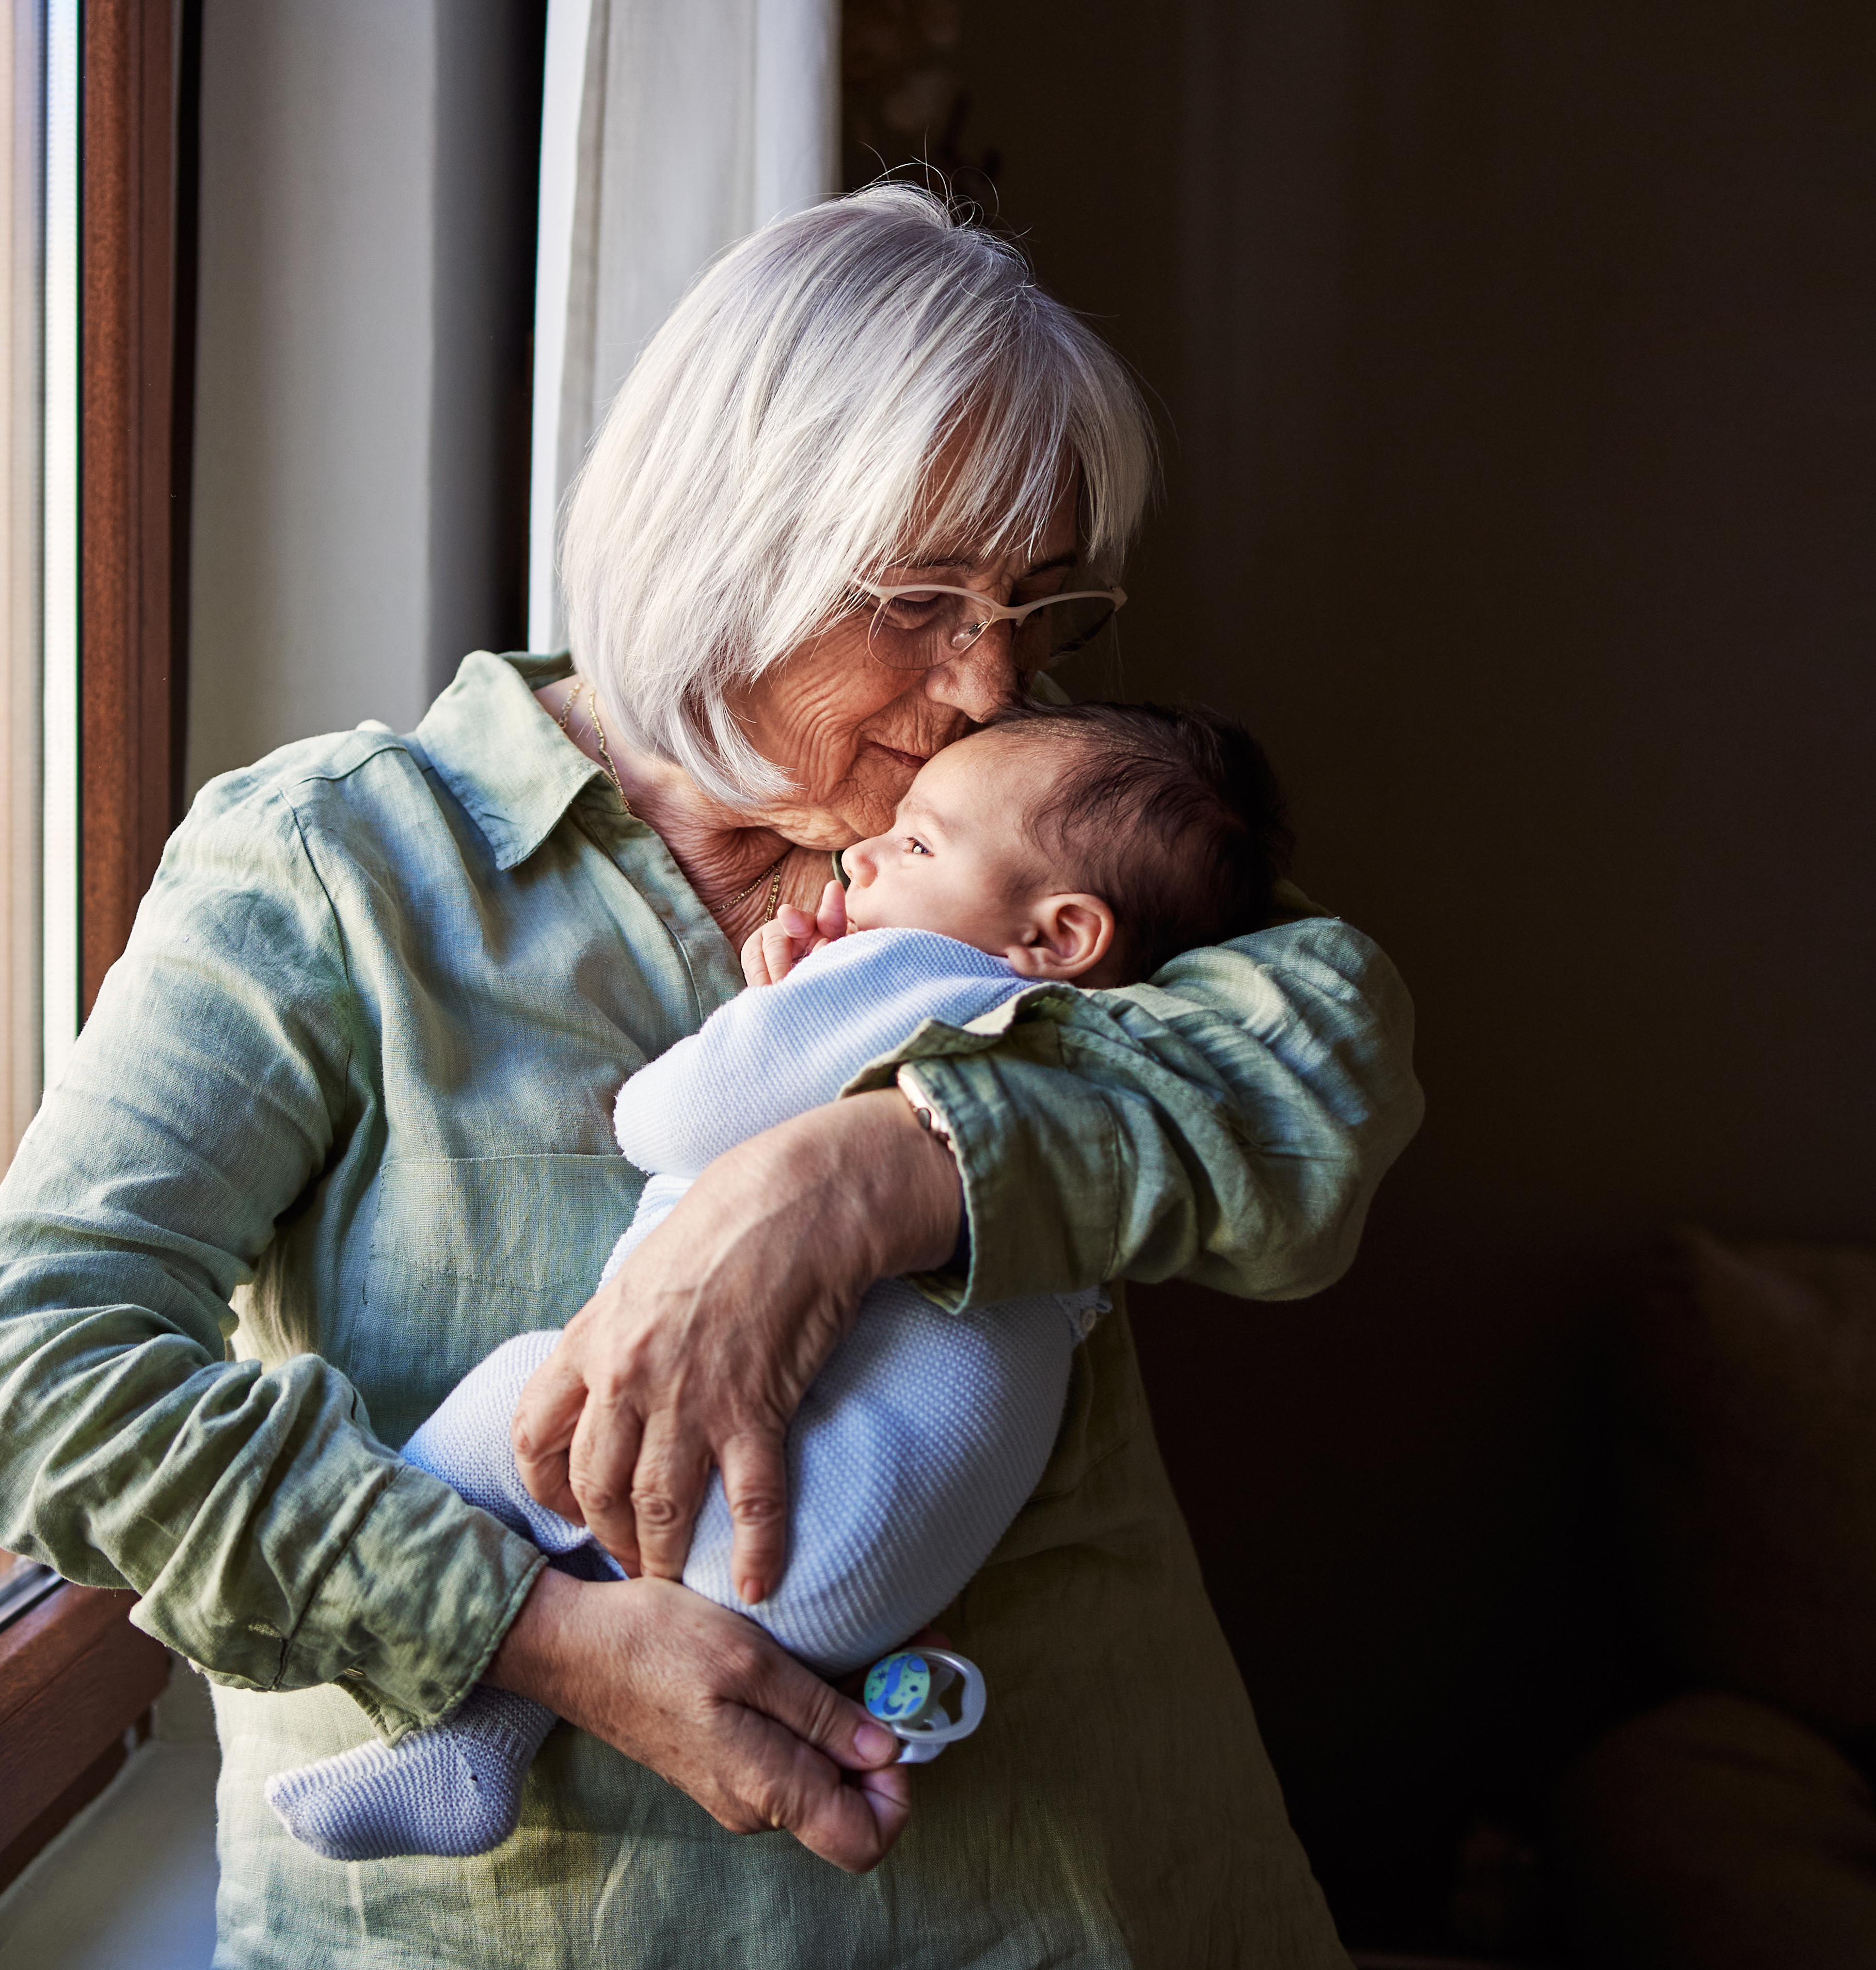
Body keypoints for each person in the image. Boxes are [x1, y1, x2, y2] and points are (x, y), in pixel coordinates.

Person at [0, 185, 1420, 1970]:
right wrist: (523, 1636)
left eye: (1034, 604)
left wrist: (876, 1171)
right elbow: (13, 1379)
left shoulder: (1004, 837)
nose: (995, 679)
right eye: (927, 600)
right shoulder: (342, 871)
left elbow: (1325, 1051)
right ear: (730, 536)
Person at [263, 703, 1290, 1863]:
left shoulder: (921, 973)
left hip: (776, 1525)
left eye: (917, 845)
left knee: (526, 1405)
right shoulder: (1093, 1031)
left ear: (1057, 933)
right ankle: (484, 1745)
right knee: (615, 1511)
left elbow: (668, 1115)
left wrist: (779, 1006)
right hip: (869, 1584)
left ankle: (458, 1682)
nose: (865, 855)